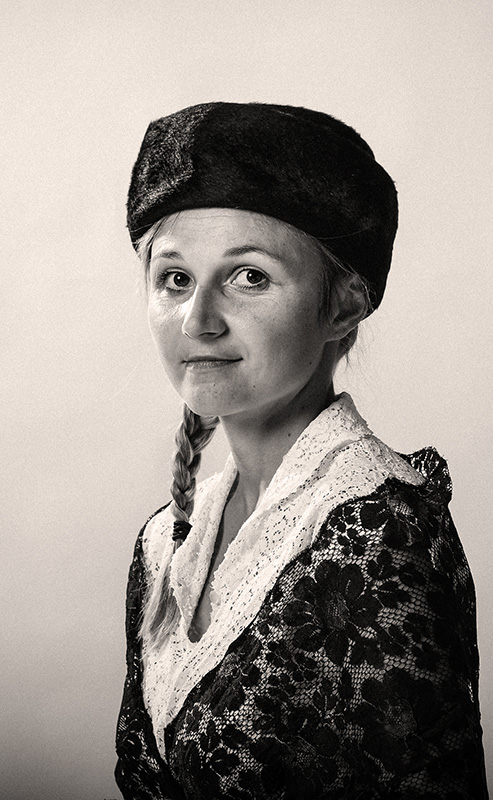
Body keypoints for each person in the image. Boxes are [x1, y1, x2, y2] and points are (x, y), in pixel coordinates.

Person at [115, 102, 488, 799]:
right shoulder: (166, 544)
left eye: (249, 277)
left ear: (343, 306)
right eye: (175, 279)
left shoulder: (377, 535)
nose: (198, 320)